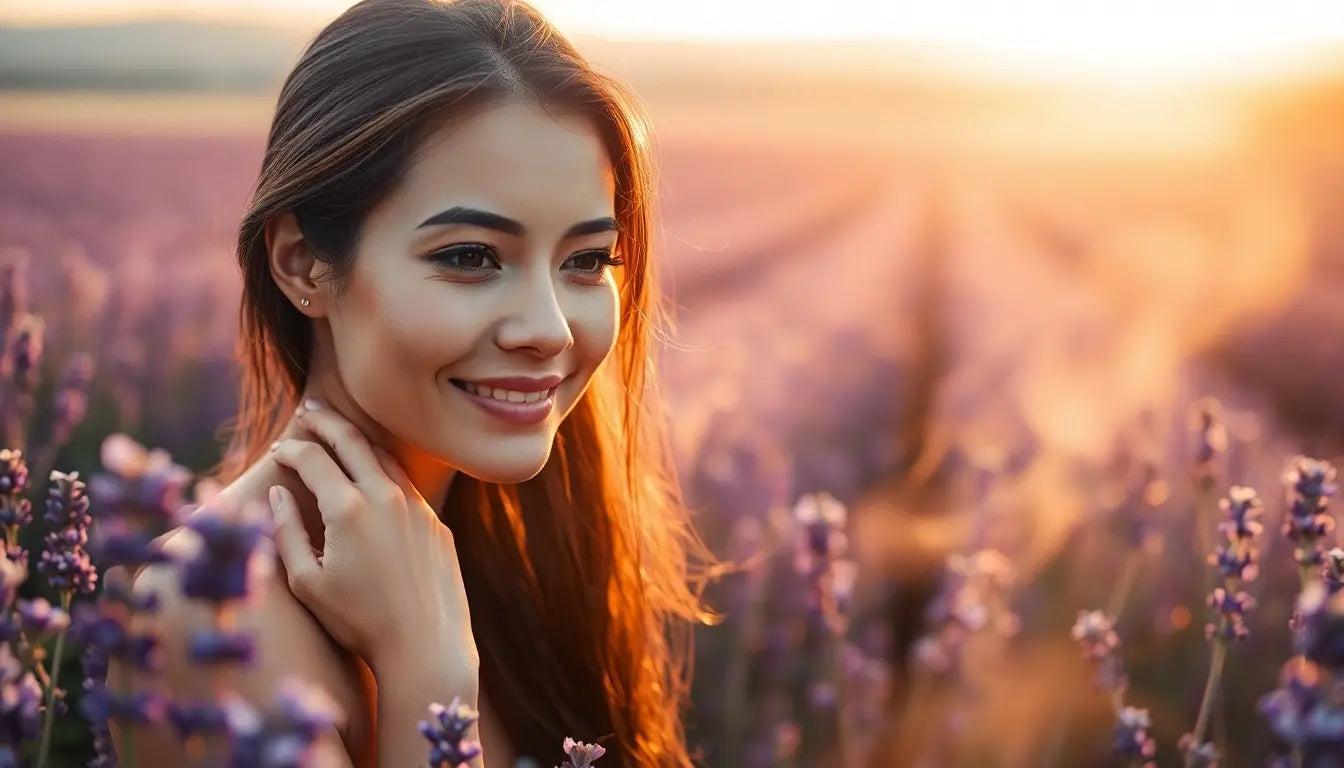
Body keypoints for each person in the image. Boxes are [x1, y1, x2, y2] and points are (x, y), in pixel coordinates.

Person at [106, 1, 718, 765]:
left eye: (588, 260)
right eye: (471, 256)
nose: (551, 329)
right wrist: (429, 678)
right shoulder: (207, 617)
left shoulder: (524, 558)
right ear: (304, 265)